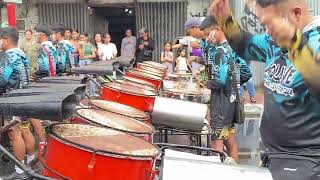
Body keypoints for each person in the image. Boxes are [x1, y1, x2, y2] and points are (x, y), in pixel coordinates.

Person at [211, 0, 320, 179]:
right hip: (273, 155)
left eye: (271, 25)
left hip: (306, 161)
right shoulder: (274, 42)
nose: (268, 32)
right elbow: (245, 45)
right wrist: (226, 20)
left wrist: (295, 43)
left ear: (297, 13)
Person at [198, 16, 252, 164]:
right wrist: (233, 84)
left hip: (220, 106)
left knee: (216, 145)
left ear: (218, 29)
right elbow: (246, 73)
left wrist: (204, 82)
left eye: (209, 33)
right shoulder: (230, 49)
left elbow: (219, 81)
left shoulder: (220, 52)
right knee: (230, 141)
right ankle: (236, 173)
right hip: (231, 104)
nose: (208, 37)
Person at [0, 27, 35, 179]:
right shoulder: (22, 54)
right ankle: (32, 160)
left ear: (5, 40)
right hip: (24, 97)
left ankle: (20, 171)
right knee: (26, 130)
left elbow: (1, 80)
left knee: (15, 135)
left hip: (12, 100)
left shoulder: (8, 57)